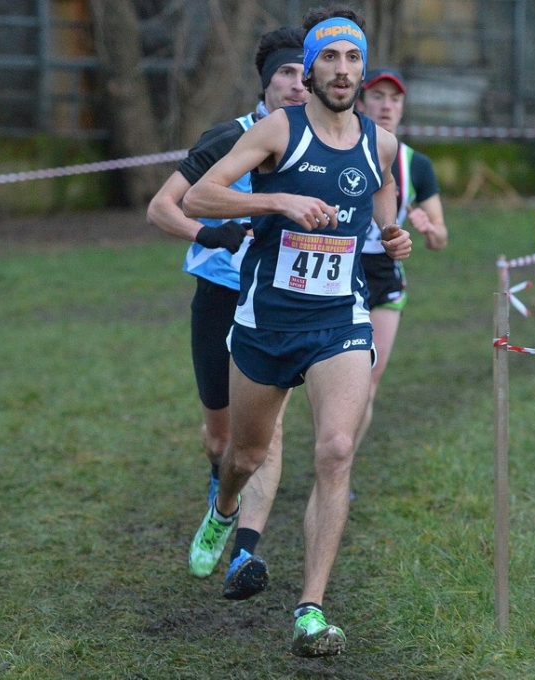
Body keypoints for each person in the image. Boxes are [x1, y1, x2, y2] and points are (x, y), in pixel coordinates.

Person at [182, 5, 411, 657]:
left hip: (338, 318)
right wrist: (276, 200)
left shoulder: (381, 144)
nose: (343, 70)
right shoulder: (278, 131)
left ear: (362, 70)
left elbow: (383, 214)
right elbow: (199, 197)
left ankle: (311, 608)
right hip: (267, 318)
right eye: (330, 58)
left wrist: (393, 238)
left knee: (336, 450)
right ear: (310, 69)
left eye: (353, 58)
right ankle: (224, 509)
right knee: (245, 456)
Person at [146, 27, 308, 585]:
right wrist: (206, 235)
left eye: (302, 74)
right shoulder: (229, 139)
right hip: (220, 298)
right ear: (265, 84)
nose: (295, 84)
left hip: (279, 305)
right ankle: (221, 489)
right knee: (222, 438)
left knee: (269, 431)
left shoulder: (319, 148)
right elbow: (159, 208)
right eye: (284, 73)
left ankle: (243, 550)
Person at [353, 67, 447, 454]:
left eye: (395, 99)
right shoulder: (336, 150)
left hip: (383, 275)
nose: (386, 106)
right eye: (378, 97)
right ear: (360, 103)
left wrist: (427, 228)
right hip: (337, 267)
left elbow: (442, 239)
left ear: (403, 108)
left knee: (367, 381)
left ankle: (342, 465)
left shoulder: (416, 166)